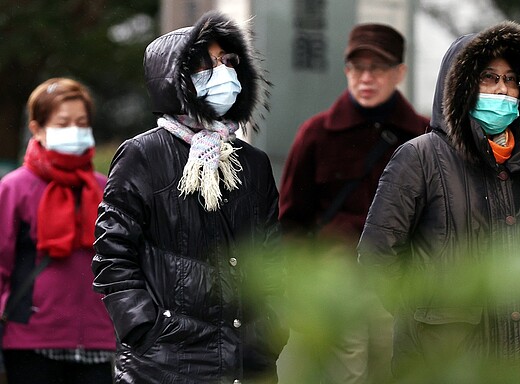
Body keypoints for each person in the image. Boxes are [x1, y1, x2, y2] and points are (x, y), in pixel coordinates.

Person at [357, 21, 520, 381]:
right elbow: (377, 257)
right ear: (460, 86)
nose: (502, 90)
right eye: (488, 78)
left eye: (511, 80)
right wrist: (426, 317)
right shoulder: (419, 157)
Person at [91, 10, 287, 384]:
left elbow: (272, 257)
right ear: (175, 80)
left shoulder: (254, 163)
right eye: (207, 65)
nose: (224, 73)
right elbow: (112, 256)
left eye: (227, 62)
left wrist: (270, 329)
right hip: (164, 362)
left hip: (247, 361)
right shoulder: (143, 155)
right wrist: (144, 329)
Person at [278, 23, 428, 383]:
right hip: (335, 286)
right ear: (346, 71)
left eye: (377, 68)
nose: (366, 77)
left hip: (399, 287)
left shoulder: (424, 136)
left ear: (399, 73)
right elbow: (290, 221)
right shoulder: (316, 134)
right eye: (357, 68)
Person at [0, 78, 115, 384]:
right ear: (37, 129)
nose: (75, 131)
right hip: (31, 341)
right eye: (63, 123)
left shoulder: (104, 188)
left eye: (81, 123)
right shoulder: (14, 188)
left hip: (97, 339)